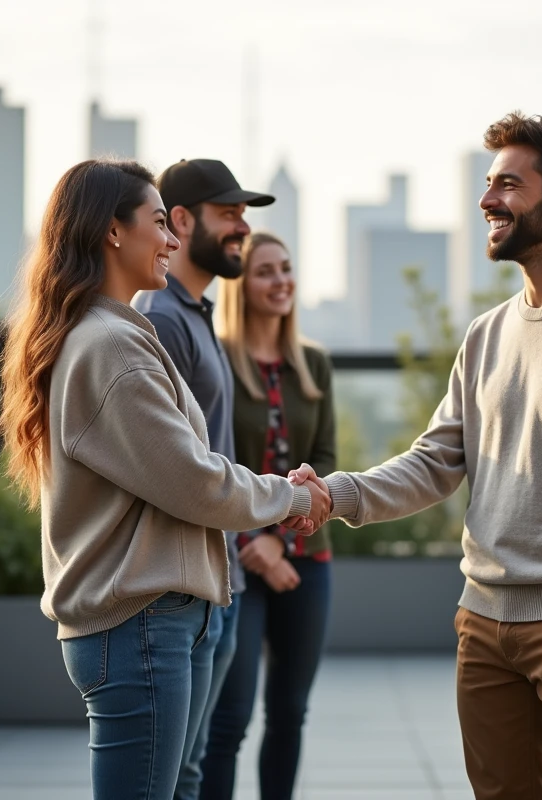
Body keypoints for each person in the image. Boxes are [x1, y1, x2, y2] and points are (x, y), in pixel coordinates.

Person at [291, 112, 542, 800]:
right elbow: (436, 461)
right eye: (488, 182)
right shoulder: (487, 334)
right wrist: (335, 494)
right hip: (483, 621)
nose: (487, 200)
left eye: (508, 183)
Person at [0, 159, 331, 800]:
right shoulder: (111, 347)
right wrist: (289, 496)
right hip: (141, 624)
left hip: (156, 618)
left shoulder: (112, 333)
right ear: (113, 233)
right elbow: (195, 481)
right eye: (158, 223)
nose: (172, 242)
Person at [131, 158, 272, 800]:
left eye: (244, 214)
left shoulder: (195, 311)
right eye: (230, 213)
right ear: (181, 220)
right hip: (191, 583)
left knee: (194, 766)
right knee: (176, 775)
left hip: (222, 574)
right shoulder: (160, 318)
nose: (242, 227)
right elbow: (178, 468)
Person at [200, 232, 336, 800]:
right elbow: (209, 462)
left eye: (286, 268)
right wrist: (255, 542)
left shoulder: (315, 363)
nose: (280, 280)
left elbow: (326, 461)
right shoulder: (218, 363)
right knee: (229, 720)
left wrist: (279, 541)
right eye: (264, 271)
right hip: (235, 564)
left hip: (307, 558)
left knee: (289, 713)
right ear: (241, 284)